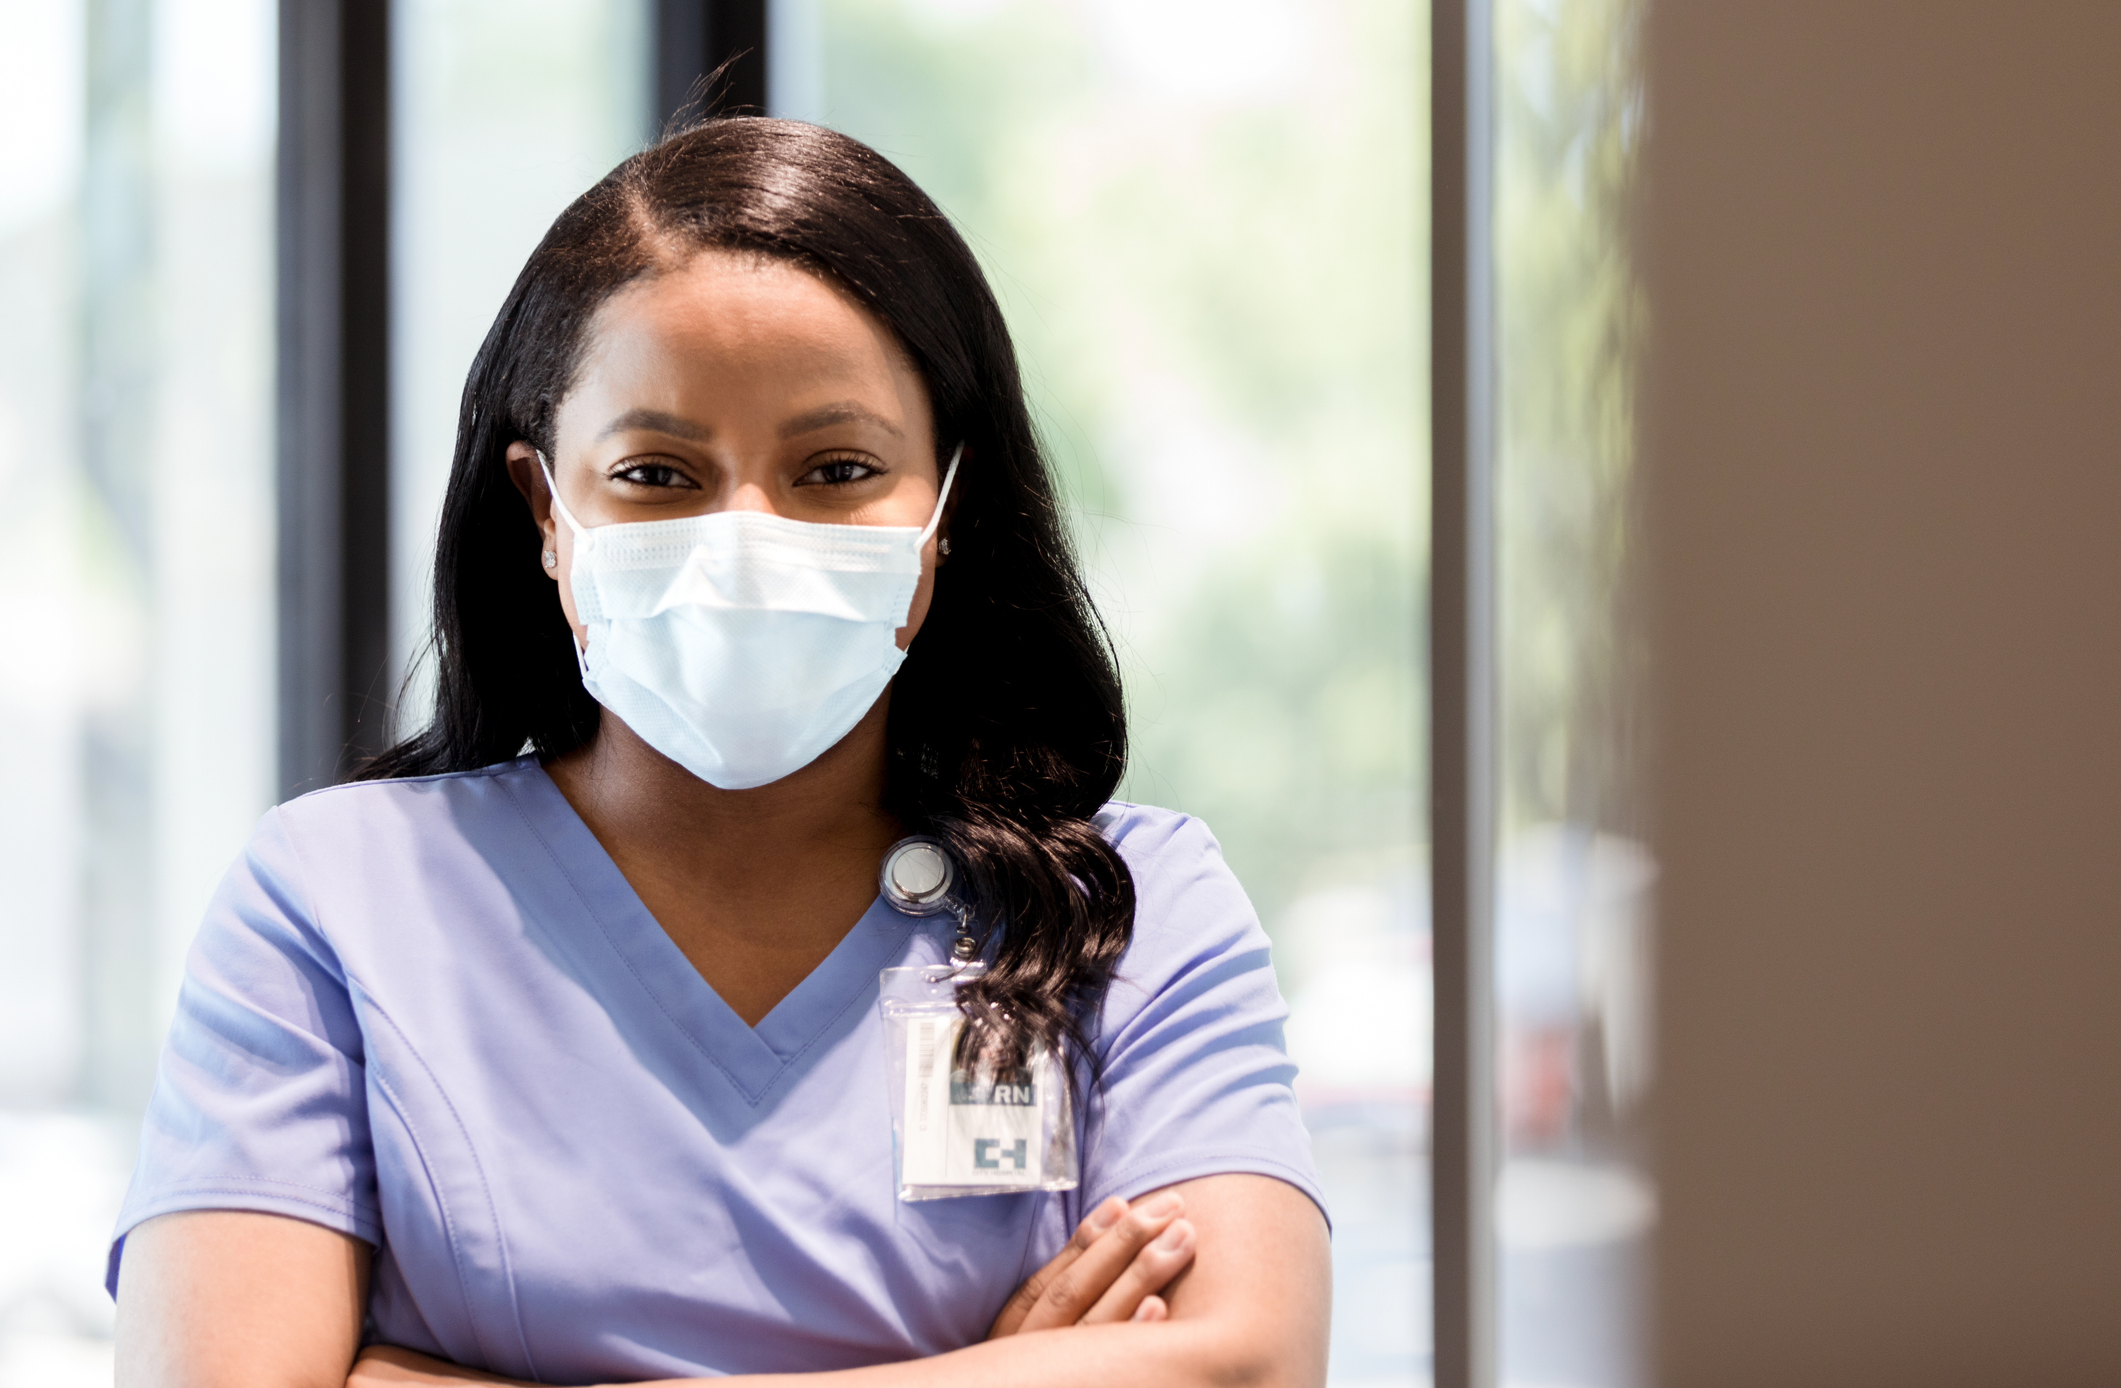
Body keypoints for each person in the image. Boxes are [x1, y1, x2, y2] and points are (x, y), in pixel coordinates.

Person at [109, 116, 1330, 1388]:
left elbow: (1244, 1367)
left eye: (838, 467)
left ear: (946, 510)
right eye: (657, 471)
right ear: (546, 511)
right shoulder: (333, 899)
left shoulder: (1128, 913)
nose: (747, 534)